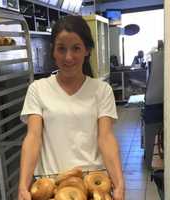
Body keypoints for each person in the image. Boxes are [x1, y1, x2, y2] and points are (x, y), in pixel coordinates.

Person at [18, 15, 125, 200]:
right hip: (50, 185)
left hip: (92, 183)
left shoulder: (102, 90)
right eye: (61, 48)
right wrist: (22, 186)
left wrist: (120, 184)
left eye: (76, 48)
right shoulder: (38, 89)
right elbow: (33, 137)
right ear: (53, 51)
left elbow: (106, 137)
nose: (68, 57)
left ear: (87, 50)